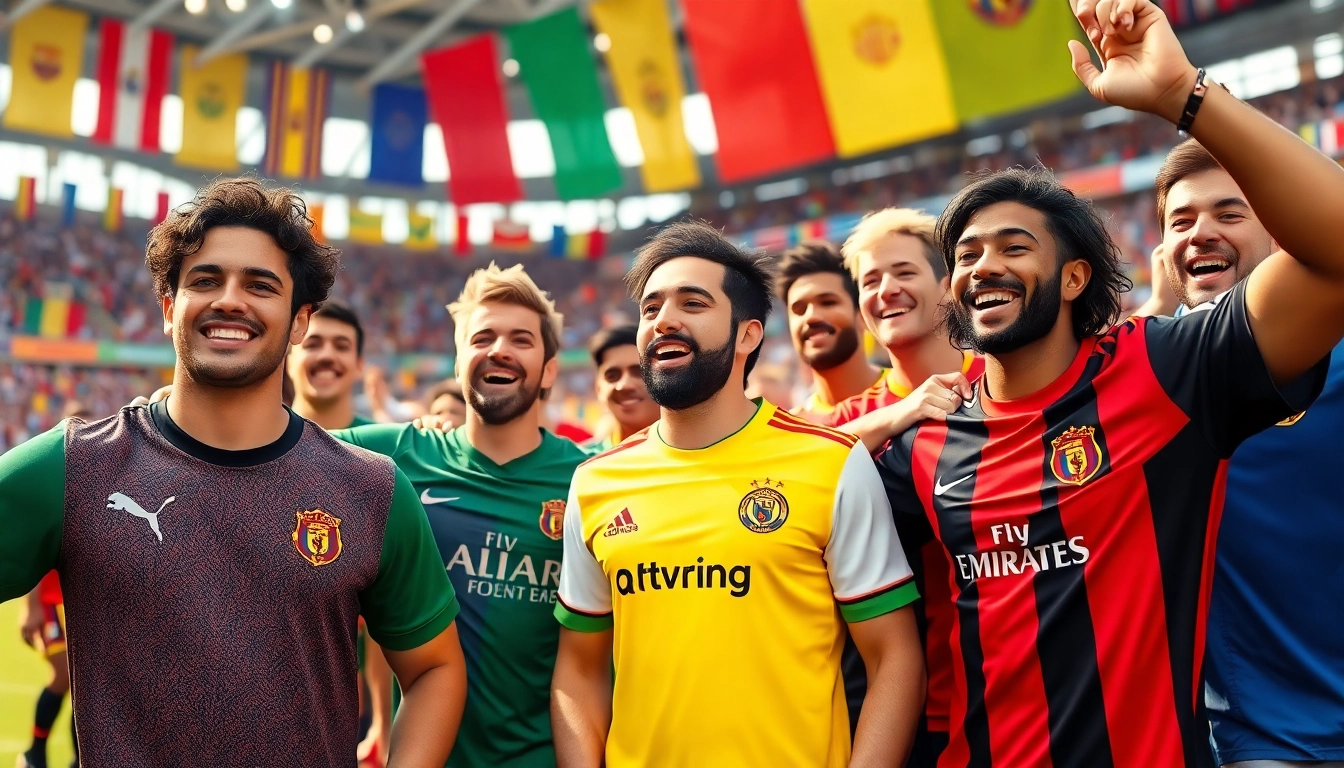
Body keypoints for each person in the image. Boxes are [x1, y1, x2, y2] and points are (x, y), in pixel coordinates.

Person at [871, 1, 1343, 763]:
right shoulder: (921, 446)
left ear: (1074, 276)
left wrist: (1183, 95)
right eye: (964, 253)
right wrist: (863, 433)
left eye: (1014, 245)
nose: (982, 265)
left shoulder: (1167, 372)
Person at [0, 177, 466, 767]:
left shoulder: (370, 489)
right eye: (205, 280)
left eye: (260, 285)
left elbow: (434, 669)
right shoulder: (76, 466)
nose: (229, 300)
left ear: (299, 322)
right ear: (170, 308)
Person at [550, 221, 927, 768]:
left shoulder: (832, 461)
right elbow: (578, 667)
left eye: (693, 303)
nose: (664, 321)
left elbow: (894, 656)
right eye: (650, 308)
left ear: (748, 335)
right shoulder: (596, 480)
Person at [335, 263, 590, 768]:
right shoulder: (392, 459)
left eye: (521, 339)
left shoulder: (590, 479)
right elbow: (276, 446)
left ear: (550, 369)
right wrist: (181, 406)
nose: (499, 350)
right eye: (483, 337)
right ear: (457, 361)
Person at [1143, 139, 1344, 768]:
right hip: (1265, 742)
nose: (1201, 233)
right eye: (1182, 221)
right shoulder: (1149, 379)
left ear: (1285, 230)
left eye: (1231, 215)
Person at [830, 208, 987, 767]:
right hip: (892, 711)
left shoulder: (1001, 379)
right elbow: (788, 467)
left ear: (948, 286)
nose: (886, 290)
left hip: (1001, 695)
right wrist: (900, 415)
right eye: (870, 281)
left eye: (903, 272)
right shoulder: (851, 415)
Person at [775, 241, 885, 424]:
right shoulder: (792, 431)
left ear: (862, 316)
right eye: (799, 310)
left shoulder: (913, 395)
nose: (810, 317)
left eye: (827, 302)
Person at [287, 300, 376, 429]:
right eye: (312, 345)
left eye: (341, 347)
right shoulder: (256, 442)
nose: (326, 356)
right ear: (289, 363)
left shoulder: (385, 446)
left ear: (360, 366)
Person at [16, 571, 75, 768]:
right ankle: (35, 753)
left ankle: (81, 759)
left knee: (88, 684)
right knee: (64, 674)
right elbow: (36, 551)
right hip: (51, 602)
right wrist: (32, 607)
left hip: (83, 602)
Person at [585, 324, 659, 452]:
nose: (624, 385)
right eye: (612, 376)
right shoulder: (579, 465)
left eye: (639, 372)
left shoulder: (694, 458)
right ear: (598, 389)